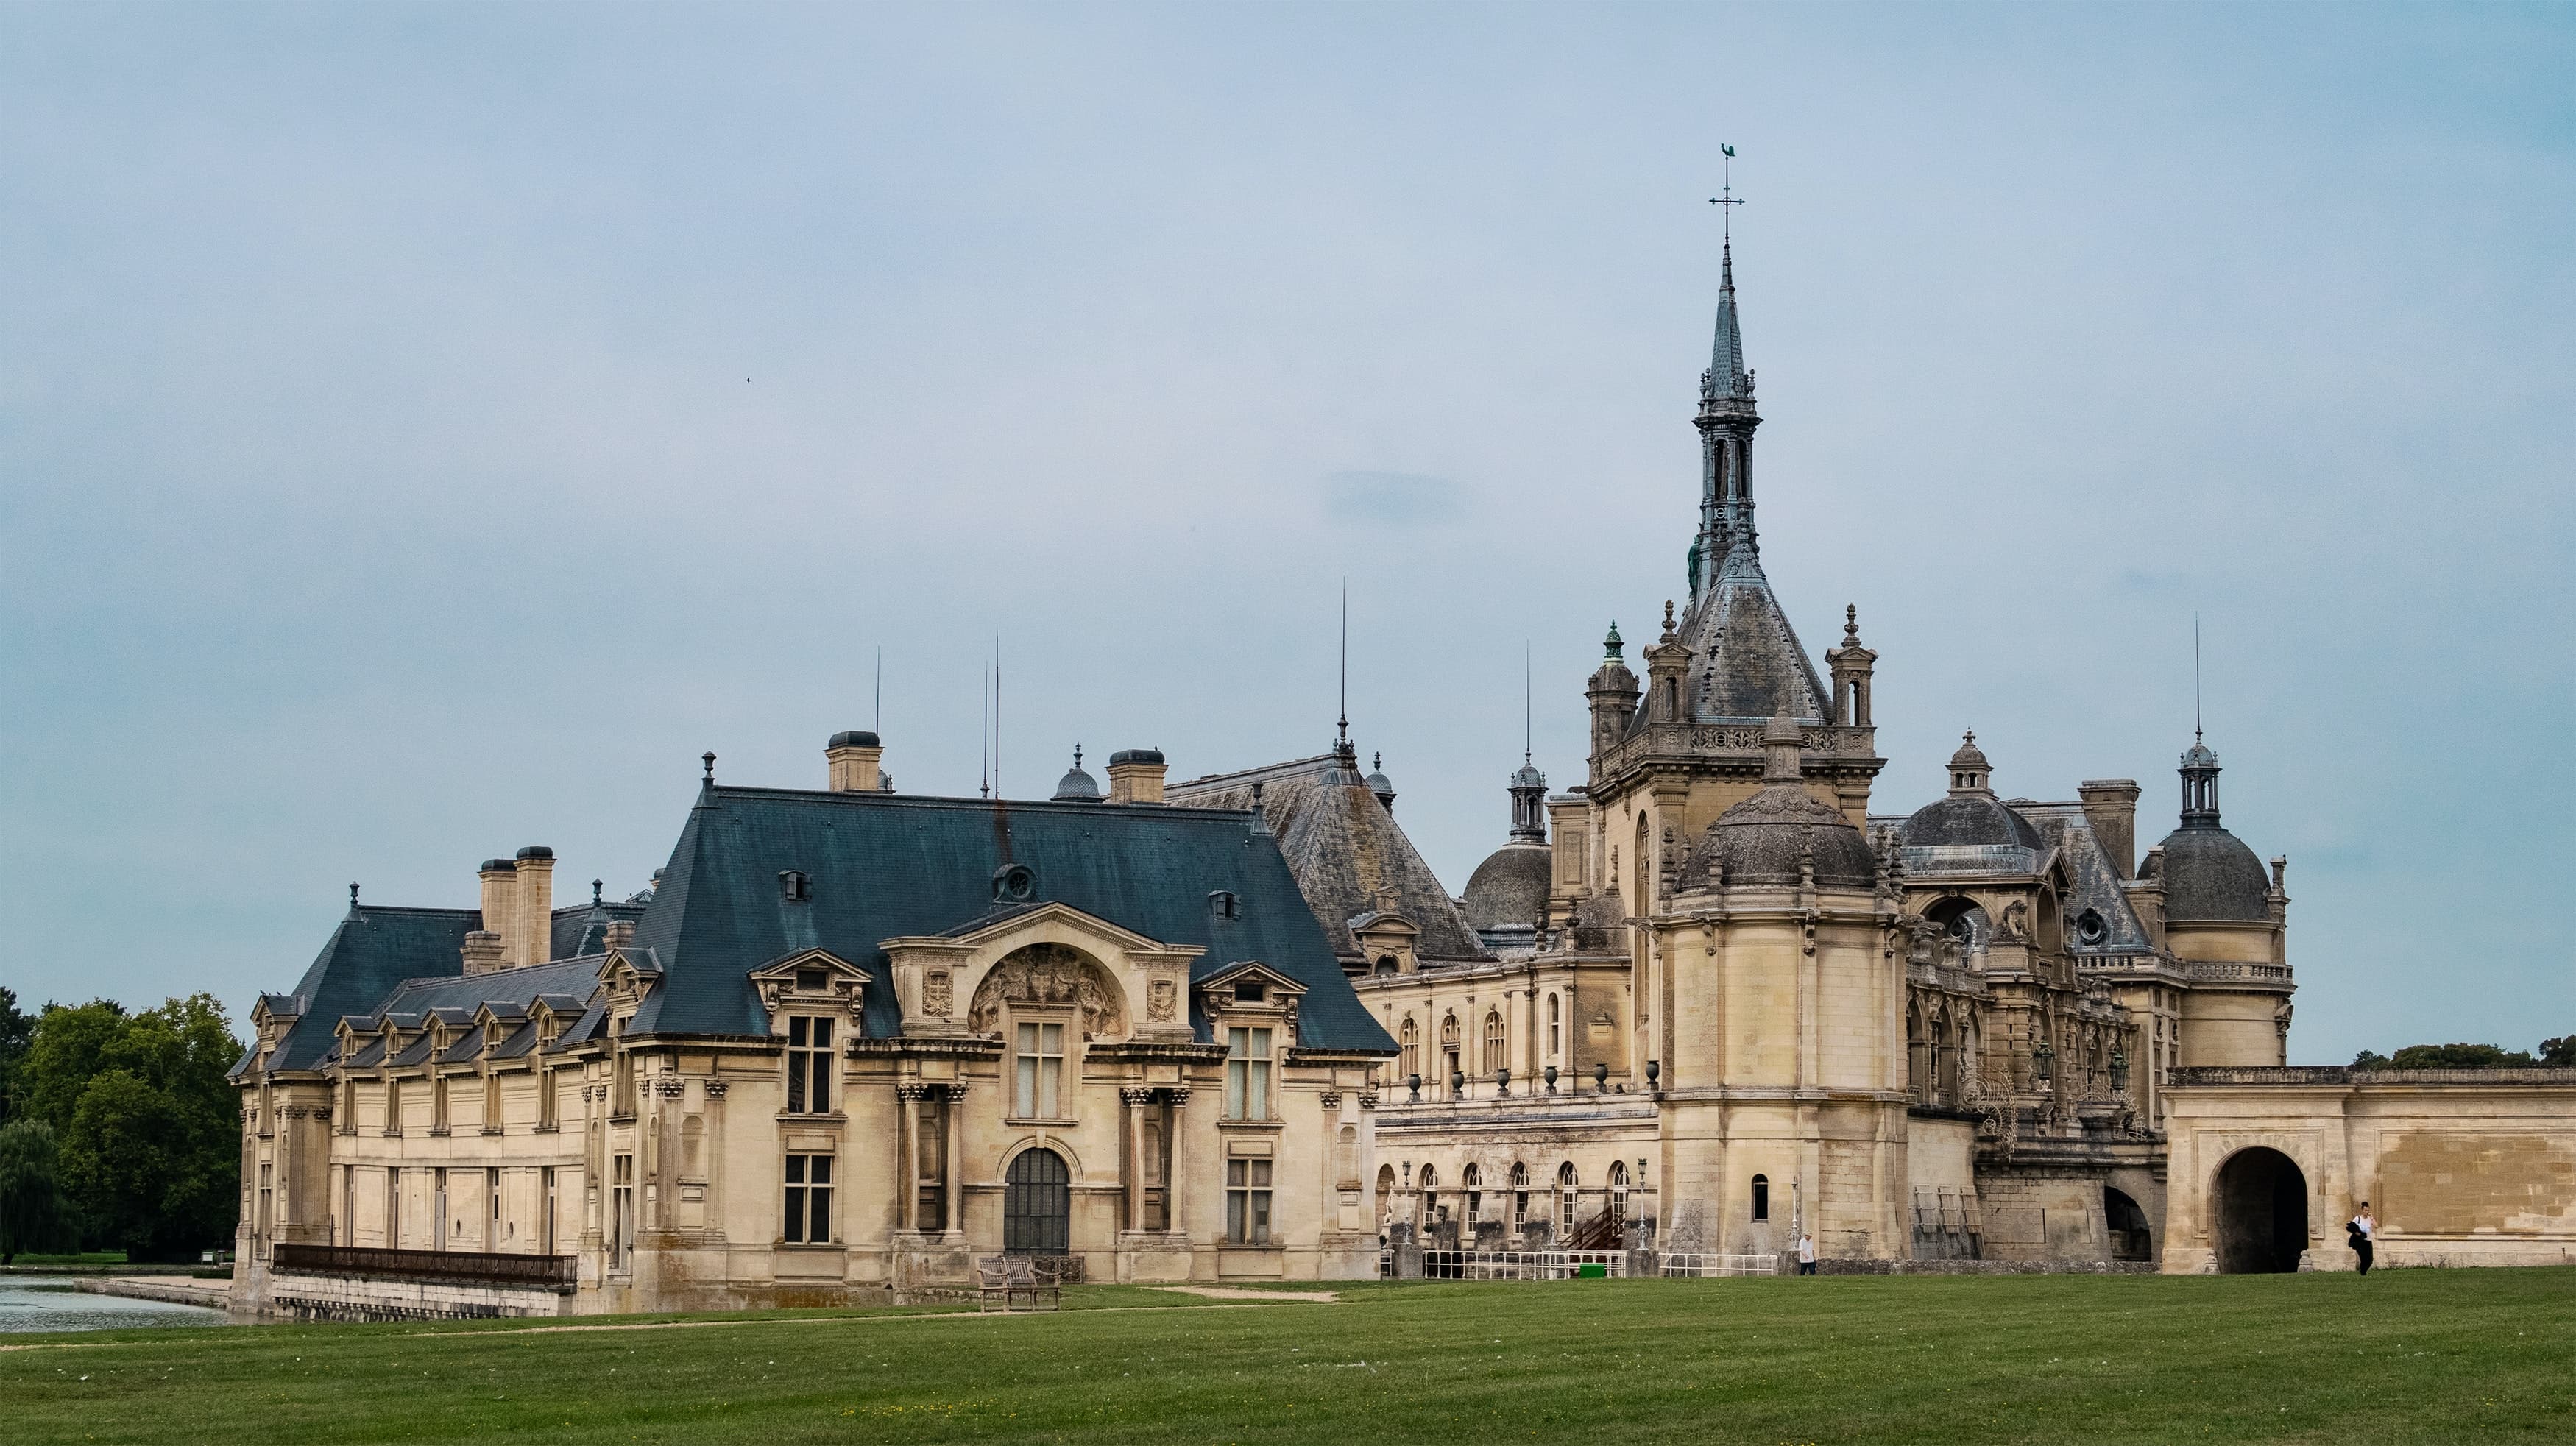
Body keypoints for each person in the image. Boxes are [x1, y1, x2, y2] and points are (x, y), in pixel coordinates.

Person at [2347, 1202, 2376, 1276]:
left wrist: (2372, 1218)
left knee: (2370, 1259)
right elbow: (2351, 1227)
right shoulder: (2358, 1218)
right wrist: (2358, 1233)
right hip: (2360, 1241)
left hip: (2368, 1240)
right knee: (2363, 1258)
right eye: (2365, 1210)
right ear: (2362, 1210)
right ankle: (2363, 1273)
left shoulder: (2370, 1218)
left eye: (2368, 1210)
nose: (2366, 1212)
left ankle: (2363, 1270)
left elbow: (2376, 1226)